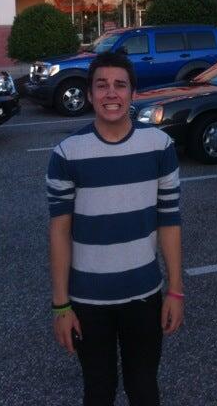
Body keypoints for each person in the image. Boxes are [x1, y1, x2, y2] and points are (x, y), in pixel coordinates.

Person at [47, 51, 183, 406]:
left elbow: (169, 221)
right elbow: (59, 231)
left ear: (133, 93)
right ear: (90, 94)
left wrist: (176, 291)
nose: (111, 93)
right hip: (88, 301)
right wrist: (61, 305)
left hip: (144, 295)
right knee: (98, 390)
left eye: (120, 85)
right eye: (102, 85)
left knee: (144, 388)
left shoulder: (160, 146)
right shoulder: (67, 154)